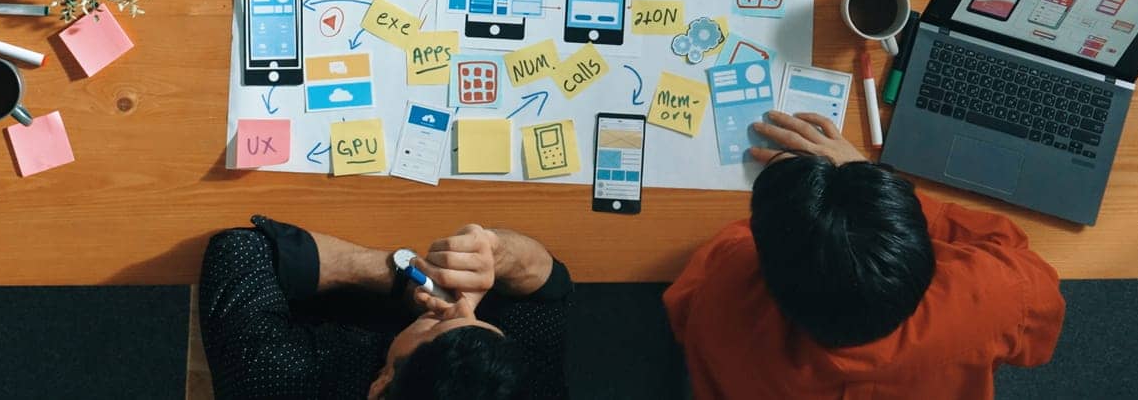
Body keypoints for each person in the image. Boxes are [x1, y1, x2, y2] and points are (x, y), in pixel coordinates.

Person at [665, 110, 1065, 399]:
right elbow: (1038, 336)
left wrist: (799, 208)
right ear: (922, 261)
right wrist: (875, 187)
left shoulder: (722, 299)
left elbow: (691, 294)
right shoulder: (995, 295)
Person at [199, 215, 571, 398]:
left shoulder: (278, 378)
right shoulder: (525, 385)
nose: (461, 308)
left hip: (310, 297)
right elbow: (551, 286)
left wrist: (402, 276)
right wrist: (496, 251)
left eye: (437, 327)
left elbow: (240, 250)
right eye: (481, 324)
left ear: (380, 387)